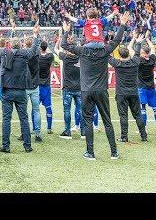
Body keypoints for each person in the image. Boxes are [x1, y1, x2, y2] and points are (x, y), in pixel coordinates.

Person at [61, 11, 129, 160]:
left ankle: (90, 153)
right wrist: (122, 24)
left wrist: (66, 32)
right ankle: (114, 152)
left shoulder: (83, 50)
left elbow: (64, 44)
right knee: (107, 121)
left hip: (86, 90)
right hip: (102, 90)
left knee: (88, 121)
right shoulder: (105, 50)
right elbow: (117, 40)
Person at [0, 22, 40, 154]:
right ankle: (27, 145)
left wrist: (12, 32)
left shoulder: (5, 54)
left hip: (8, 91)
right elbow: (34, 49)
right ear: (20, 45)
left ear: (10, 45)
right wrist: (35, 35)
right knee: (24, 118)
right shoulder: (24, 54)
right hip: (21, 91)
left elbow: (2, 46)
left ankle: (6, 145)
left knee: (6, 119)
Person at [108, 31, 147, 143]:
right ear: (128, 54)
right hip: (134, 92)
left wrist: (110, 41)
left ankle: (124, 137)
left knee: (123, 115)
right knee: (138, 115)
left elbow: (107, 54)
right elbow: (138, 53)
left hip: (121, 93)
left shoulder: (117, 63)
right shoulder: (135, 61)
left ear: (120, 55)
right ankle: (143, 136)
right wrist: (137, 42)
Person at [137, 33, 156, 134]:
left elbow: (134, 52)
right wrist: (148, 39)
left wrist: (138, 40)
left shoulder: (139, 61)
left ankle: (144, 128)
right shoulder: (152, 59)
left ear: (142, 53)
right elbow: (152, 47)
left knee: (143, 108)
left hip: (142, 87)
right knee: (155, 108)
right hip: (151, 87)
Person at [37, 39, 54, 135]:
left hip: (38, 86)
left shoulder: (38, 57)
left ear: (40, 48)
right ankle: (49, 128)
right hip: (46, 86)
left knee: (35, 108)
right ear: (46, 48)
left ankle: (36, 127)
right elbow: (50, 52)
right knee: (48, 107)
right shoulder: (50, 57)